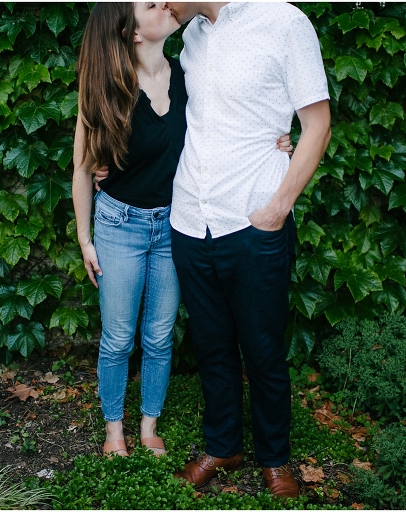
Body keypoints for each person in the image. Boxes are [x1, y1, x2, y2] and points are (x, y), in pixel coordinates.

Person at [72, 3, 294, 459]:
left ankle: (149, 425)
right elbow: (80, 169)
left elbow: (228, 120)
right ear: (132, 33)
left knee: (157, 335)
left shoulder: (188, 73)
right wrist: (84, 237)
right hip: (120, 225)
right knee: (118, 337)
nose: (165, 5)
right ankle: (115, 431)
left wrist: (277, 136)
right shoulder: (106, 89)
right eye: (151, 6)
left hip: (176, 222)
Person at [163, 2, 331, 499]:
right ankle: (223, 446)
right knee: (212, 346)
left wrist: (278, 208)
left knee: (263, 350)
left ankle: (275, 458)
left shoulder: (283, 21)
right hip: (192, 218)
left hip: (253, 220)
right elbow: (127, 37)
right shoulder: (189, 33)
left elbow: (317, 124)